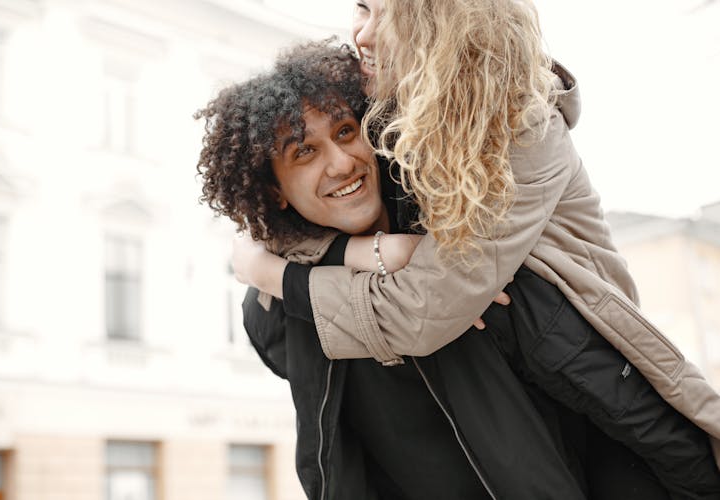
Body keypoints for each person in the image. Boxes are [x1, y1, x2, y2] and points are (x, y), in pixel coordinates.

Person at [229, 1, 720, 499]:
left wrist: (277, 275)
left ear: (438, 30)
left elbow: (420, 310)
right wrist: (355, 254)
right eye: (361, 7)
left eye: (345, 133)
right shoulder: (399, 159)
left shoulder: (514, 132)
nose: (363, 33)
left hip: (604, 407)